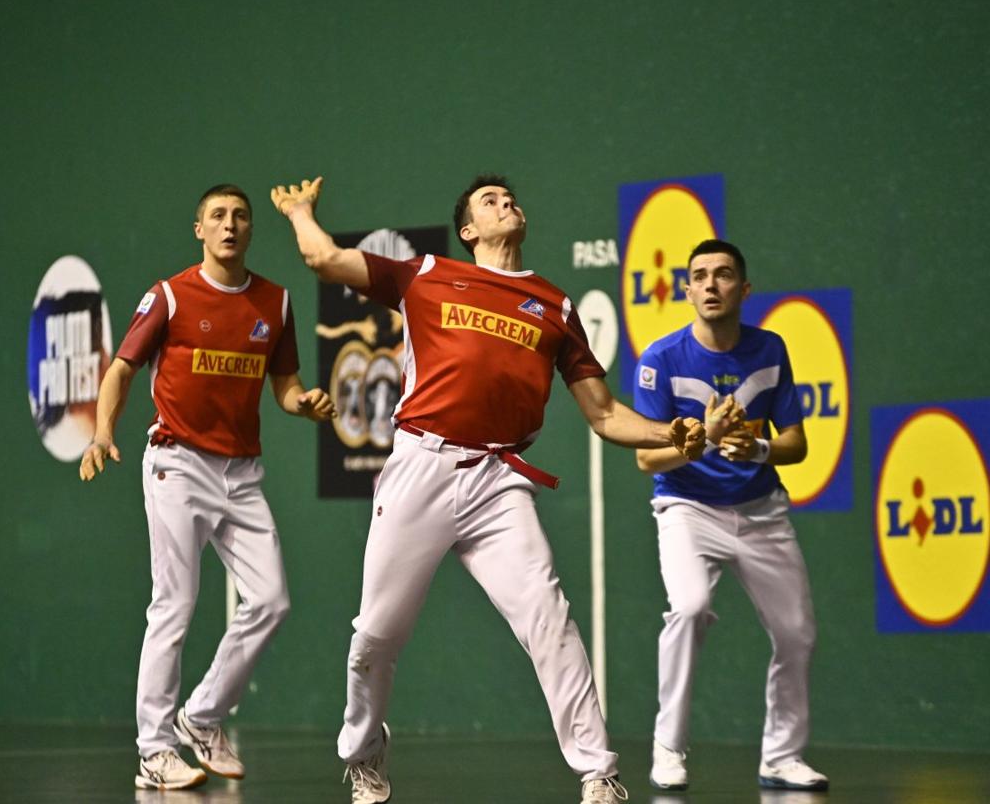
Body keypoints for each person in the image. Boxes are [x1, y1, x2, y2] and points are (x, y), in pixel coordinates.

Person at [269, 174, 713, 804]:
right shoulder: (425, 274)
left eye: (511, 197)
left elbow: (606, 413)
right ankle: (364, 755)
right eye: (489, 201)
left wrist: (669, 431)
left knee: (548, 617)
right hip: (421, 465)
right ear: (469, 229)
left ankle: (598, 772)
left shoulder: (554, 307)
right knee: (376, 634)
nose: (506, 203)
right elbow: (322, 258)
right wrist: (300, 212)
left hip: (498, 481)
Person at [79, 183, 335, 791]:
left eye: (241, 217)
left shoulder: (275, 302)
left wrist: (305, 403)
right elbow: (121, 369)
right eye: (218, 216)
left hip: (241, 473)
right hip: (177, 464)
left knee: (272, 600)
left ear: (251, 231)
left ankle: (203, 716)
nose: (230, 225)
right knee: (175, 605)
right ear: (200, 229)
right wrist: (101, 432)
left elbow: (285, 384)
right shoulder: (169, 295)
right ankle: (154, 748)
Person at [632, 239, 828, 792]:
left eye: (723, 275)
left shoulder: (771, 349)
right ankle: (668, 748)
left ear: (744, 289)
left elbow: (795, 442)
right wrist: (706, 440)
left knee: (797, 634)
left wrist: (757, 448)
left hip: (762, 511)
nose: (712, 284)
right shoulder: (662, 360)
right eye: (701, 276)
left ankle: (782, 757)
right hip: (687, 509)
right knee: (690, 607)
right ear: (687, 290)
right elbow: (648, 457)